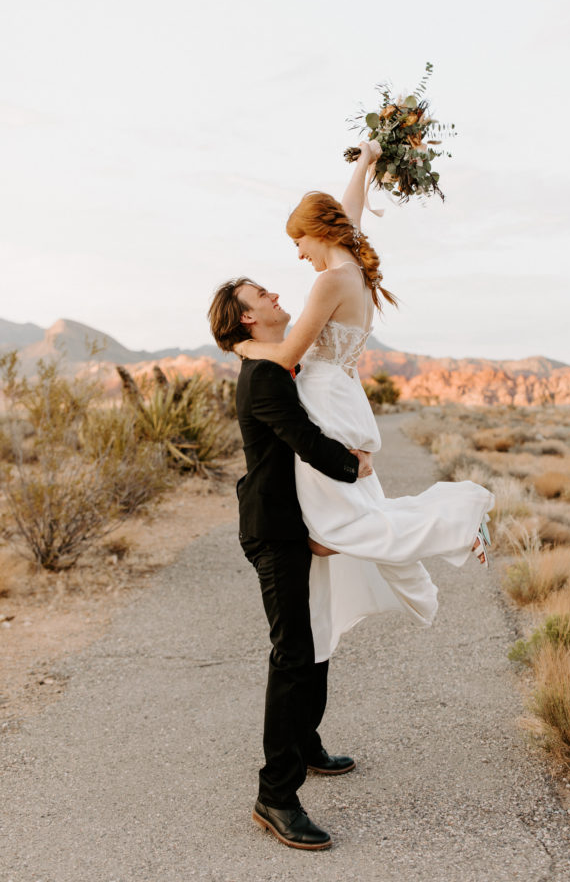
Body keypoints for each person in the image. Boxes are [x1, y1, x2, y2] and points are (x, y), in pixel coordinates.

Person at [231, 141, 495, 663]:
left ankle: (459, 522)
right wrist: (366, 160)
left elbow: (287, 353)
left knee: (334, 528)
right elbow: (348, 207)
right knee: (346, 521)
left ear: (317, 234)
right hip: (343, 396)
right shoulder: (350, 259)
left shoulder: (331, 281)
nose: (297, 253)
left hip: (326, 400)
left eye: (298, 241)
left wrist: (239, 345)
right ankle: (453, 526)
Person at [208, 278, 374, 851]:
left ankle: (305, 743)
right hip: (273, 532)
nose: (277, 295)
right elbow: (305, 440)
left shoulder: (275, 362)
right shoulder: (263, 376)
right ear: (247, 319)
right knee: (294, 653)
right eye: (262, 295)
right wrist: (354, 467)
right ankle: (275, 795)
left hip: (299, 524)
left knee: (317, 633)